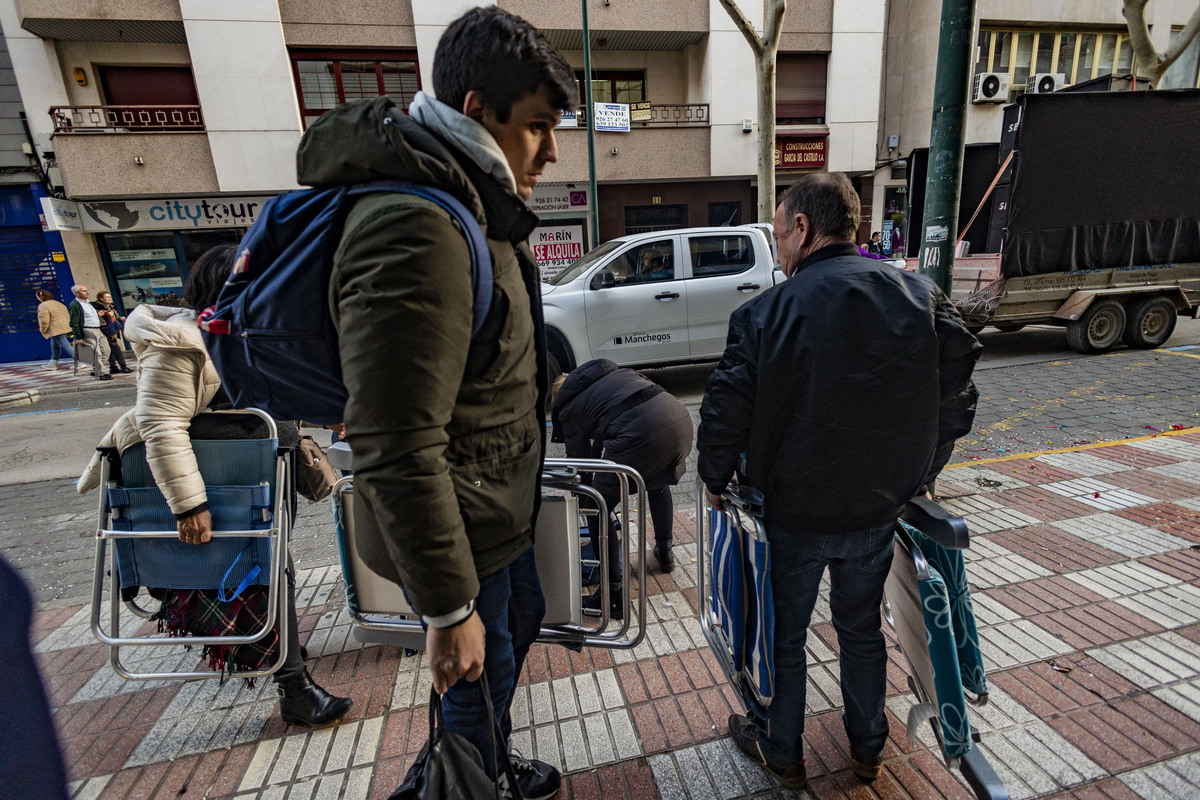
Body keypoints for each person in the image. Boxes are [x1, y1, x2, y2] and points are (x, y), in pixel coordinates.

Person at [298, 8, 577, 798]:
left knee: (505, 646)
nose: (551, 151)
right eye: (537, 127)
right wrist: (448, 607)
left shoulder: (468, 198)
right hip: (459, 531)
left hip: (492, 517)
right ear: (477, 107)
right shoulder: (415, 225)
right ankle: (467, 780)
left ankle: (478, 764)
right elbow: (393, 440)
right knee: (470, 676)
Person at [697, 173, 981, 790]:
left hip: (794, 513)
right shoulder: (920, 296)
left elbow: (724, 411)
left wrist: (713, 478)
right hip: (877, 511)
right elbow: (958, 397)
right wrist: (919, 476)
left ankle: (785, 753)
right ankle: (867, 749)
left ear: (803, 228)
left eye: (777, 234)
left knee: (787, 637)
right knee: (860, 629)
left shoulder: (764, 314)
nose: (777, 248)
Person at [77, 245, 351, 727]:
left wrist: (337, 416)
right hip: (218, 482)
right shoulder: (178, 342)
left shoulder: (245, 334)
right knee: (263, 568)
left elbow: (277, 393)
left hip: (258, 474)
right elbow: (161, 424)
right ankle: (295, 688)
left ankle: (280, 646)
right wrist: (188, 506)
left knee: (273, 566)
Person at [551, 359, 693, 597]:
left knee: (596, 506)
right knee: (657, 481)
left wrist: (582, 497)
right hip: (679, 420)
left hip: (640, 431)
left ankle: (612, 588)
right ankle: (665, 552)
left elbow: (579, 461)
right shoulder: (609, 379)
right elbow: (596, 446)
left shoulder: (569, 405)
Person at [68, 284, 111, 380]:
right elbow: (74, 322)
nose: (87, 292)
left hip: (98, 329)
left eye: (87, 290)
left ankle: (96, 369)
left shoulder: (88, 303)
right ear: (76, 294)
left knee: (106, 350)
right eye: (84, 291)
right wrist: (79, 337)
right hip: (87, 329)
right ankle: (101, 373)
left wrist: (97, 314)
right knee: (97, 353)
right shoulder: (75, 305)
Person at [93, 290, 133, 374]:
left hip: (112, 330)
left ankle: (113, 367)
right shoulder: (97, 307)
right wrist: (106, 314)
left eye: (110, 297)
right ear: (101, 299)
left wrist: (120, 318)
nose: (109, 298)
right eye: (107, 297)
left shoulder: (111, 306)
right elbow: (101, 319)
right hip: (106, 331)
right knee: (116, 348)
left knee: (111, 349)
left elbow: (116, 317)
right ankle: (123, 367)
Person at [35, 289, 74, 370]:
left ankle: (80, 360)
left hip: (55, 329)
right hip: (64, 327)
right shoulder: (58, 303)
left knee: (66, 345)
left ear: (40, 297)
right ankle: (53, 363)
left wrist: (43, 330)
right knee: (54, 346)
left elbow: (44, 320)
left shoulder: (43, 306)